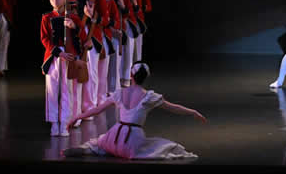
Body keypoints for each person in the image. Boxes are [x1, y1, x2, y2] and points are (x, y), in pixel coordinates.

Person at [63, 62, 206, 160]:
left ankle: (86, 150)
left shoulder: (120, 93)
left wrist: (76, 117)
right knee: (161, 146)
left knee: (97, 144)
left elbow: (96, 110)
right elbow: (174, 108)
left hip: (114, 136)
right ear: (146, 78)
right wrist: (193, 112)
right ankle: (121, 150)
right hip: (132, 140)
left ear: (131, 76)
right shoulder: (149, 97)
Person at [41, 0, 87, 137]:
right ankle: (54, 123)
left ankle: (65, 123)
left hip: (69, 58)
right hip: (53, 57)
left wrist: (74, 27)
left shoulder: (73, 18)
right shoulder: (46, 17)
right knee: (52, 91)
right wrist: (57, 52)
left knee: (67, 91)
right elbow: (44, 39)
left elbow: (83, 37)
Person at [71, 0, 110, 119]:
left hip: (92, 37)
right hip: (77, 35)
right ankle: (77, 107)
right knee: (77, 72)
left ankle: (90, 107)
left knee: (91, 72)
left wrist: (93, 15)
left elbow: (106, 20)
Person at [92, 0, 118, 105]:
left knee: (103, 71)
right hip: (92, 38)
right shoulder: (90, 1)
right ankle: (92, 99)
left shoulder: (111, 2)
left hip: (105, 38)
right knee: (92, 71)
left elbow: (115, 21)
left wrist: (105, 22)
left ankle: (101, 98)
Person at [119, 0, 140, 87]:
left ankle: (126, 77)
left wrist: (135, 4)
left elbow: (135, 12)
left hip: (129, 25)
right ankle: (119, 77)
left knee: (128, 52)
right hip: (119, 25)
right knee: (120, 53)